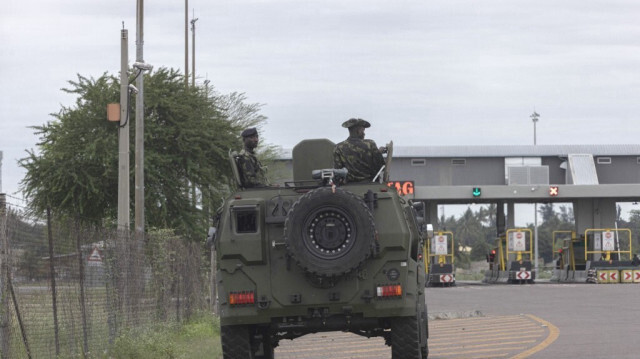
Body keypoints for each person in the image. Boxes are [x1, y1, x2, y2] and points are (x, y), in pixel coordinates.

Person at [333, 118, 386, 183]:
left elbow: (338, 170)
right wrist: (378, 153)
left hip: (348, 186)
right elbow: (380, 166)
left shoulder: (338, 147)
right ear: (358, 131)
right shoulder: (370, 144)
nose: (364, 133)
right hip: (369, 184)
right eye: (363, 130)